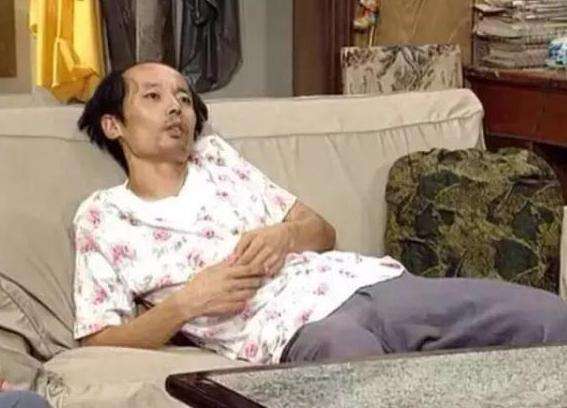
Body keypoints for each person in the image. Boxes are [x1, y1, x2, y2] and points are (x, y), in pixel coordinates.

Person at [73, 62, 567, 365]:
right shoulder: (104, 217)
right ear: (114, 125)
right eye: (153, 96)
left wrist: (284, 236)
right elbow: (98, 340)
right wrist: (186, 304)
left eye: (183, 97)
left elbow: (321, 231)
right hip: (298, 328)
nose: (176, 107)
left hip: (375, 285)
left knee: (551, 319)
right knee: (365, 382)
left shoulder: (216, 159)